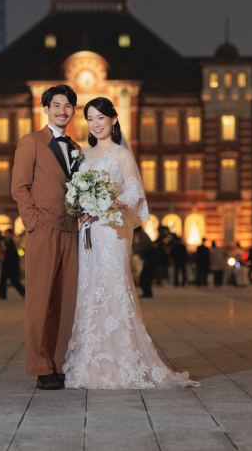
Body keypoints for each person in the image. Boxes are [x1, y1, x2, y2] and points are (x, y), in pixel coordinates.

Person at [63, 97, 198, 389]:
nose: (96, 124)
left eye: (101, 118)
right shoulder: (84, 155)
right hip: (89, 234)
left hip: (112, 232)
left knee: (113, 287)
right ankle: (92, 363)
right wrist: (82, 207)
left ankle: (126, 361)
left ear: (113, 119)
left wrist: (105, 202)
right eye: (90, 119)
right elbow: (77, 193)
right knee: (90, 290)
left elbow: (134, 194)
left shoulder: (122, 155)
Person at [10, 84, 81, 391]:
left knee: (66, 302)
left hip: (70, 231)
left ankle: (60, 363)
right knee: (40, 301)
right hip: (43, 230)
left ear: (73, 111)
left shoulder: (76, 148)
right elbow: (19, 187)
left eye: (68, 106)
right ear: (46, 109)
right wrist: (33, 222)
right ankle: (41, 366)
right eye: (56, 106)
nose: (62, 111)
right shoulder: (32, 142)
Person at [0, 229, 26, 299]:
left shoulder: (12, 243)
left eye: (8, 234)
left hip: (12, 266)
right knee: (3, 281)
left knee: (14, 281)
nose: (6, 235)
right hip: (5, 265)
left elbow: (13, 255)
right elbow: (2, 253)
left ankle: (24, 292)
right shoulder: (4, 242)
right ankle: (2, 296)